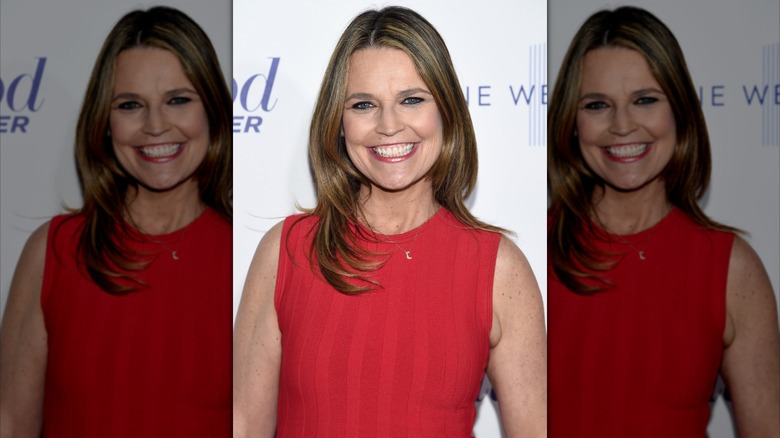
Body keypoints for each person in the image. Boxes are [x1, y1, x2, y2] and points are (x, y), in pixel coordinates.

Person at [233, 6, 546, 437]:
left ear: (446, 111)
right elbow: (244, 425)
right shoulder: (285, 252)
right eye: (364, 105)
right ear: (338, 123)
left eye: (411, 100)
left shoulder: (499, 269)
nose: (389, 126)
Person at [547, 5, 780, 437]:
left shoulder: (730, 268)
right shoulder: (531, 256)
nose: (622, 126)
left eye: (645, 100)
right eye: (597, 105)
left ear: (680, 110)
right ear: (572, 123)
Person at [0, 6, 232, 437]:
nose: (156, 126)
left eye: (178, 100)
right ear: (105, 123)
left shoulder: (247, 260)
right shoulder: (54, 252)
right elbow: (11, 424)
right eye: (130, 105)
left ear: (213, 111)